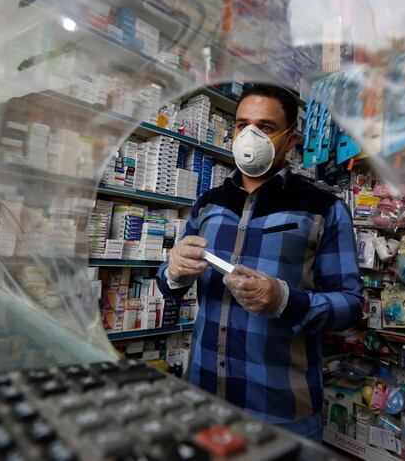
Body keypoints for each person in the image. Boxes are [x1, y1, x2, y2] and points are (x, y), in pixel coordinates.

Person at [156, 83, 364, 441]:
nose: (249, 135)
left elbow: (351, 306)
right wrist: (172, 272)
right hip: (205, 399)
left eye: (265, 127)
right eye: (242, 125)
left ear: (291, 140)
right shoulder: (208, 204)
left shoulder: (324, 208)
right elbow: (168, 283)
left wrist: (285, 300)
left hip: (281, 410)